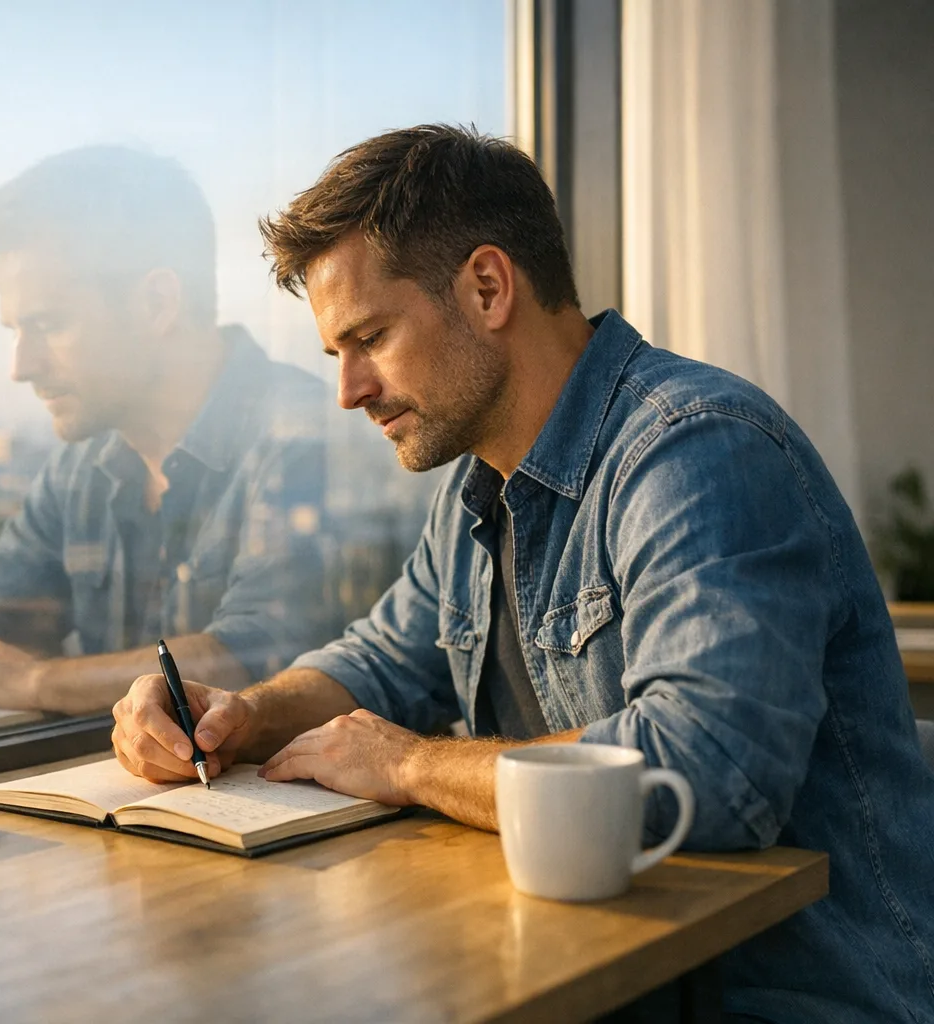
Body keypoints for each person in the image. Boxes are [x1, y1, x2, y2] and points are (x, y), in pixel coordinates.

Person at [109, 125, 934, 1021]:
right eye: (334, 355)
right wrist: (238, 716)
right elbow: (379, 661)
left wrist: (417, 765)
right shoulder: (480, 487)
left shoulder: (697, 451)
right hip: (595, 972)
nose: (348, 390)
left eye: (370, 337)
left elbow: (710, 772)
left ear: (489, 286)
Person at [0, 146, 330, 715]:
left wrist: (37, 682)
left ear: (157, 303)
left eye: (47, 324)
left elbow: (258, 657)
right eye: (16, 330)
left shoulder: (299, 432)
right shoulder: (84, 464)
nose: (20, 367)